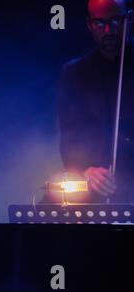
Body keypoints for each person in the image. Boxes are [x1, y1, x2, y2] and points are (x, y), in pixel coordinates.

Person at [57, 0, 134, 202]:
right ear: (89, 24)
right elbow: (69, 138)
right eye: (99, 23)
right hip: (97, 190)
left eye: (115, 20)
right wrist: (86, 170)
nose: (108, 30)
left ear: (129, 18)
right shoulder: (74, 72)